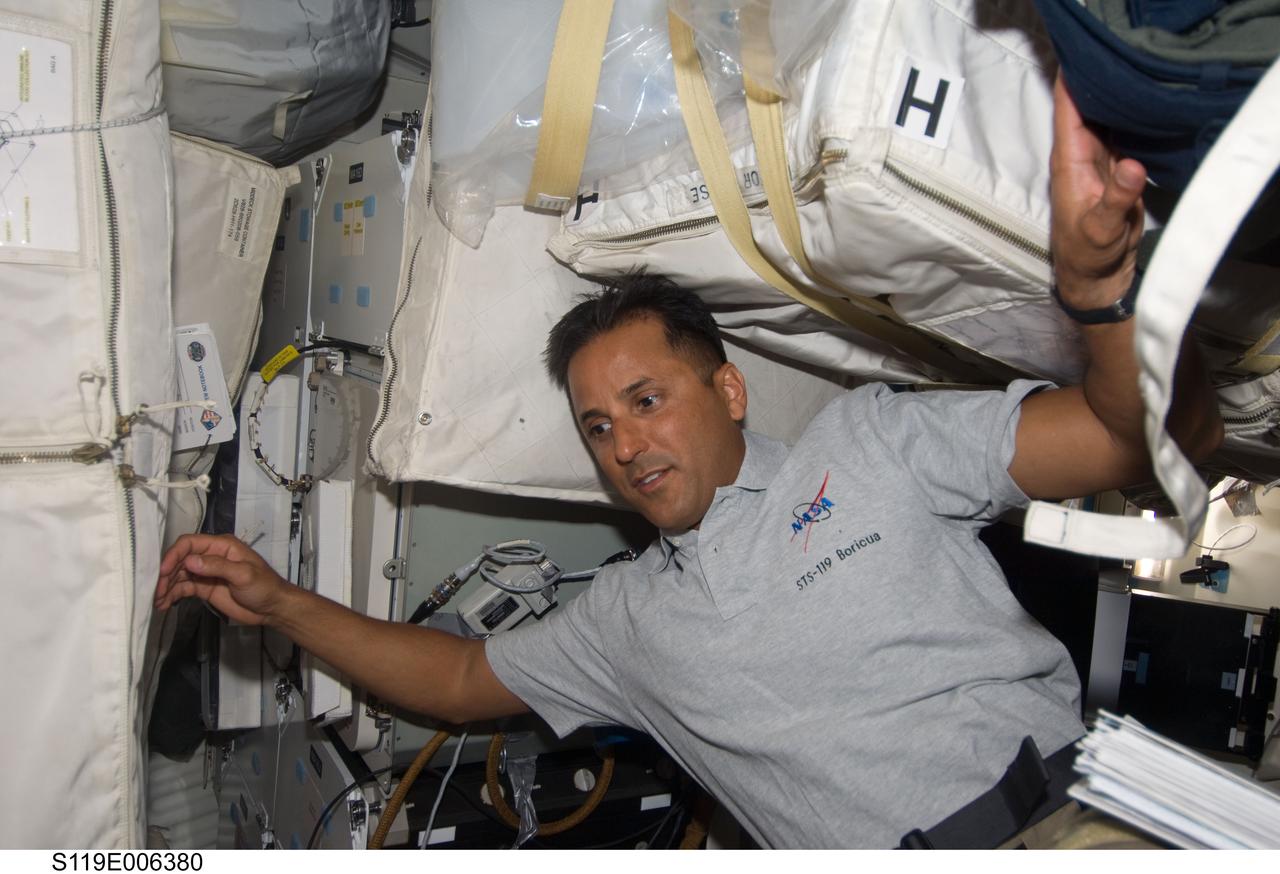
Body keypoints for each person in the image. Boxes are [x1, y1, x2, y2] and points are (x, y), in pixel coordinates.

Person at [153, 79, 1222, 847]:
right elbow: (462, 677)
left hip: (1076, 819)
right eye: (596, 429)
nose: (622, 445)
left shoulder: (871, 443)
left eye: (644, 402)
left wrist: (1098, 296)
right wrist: (282, 604)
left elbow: (1117, 438)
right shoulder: (629, 621)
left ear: (729, 391)